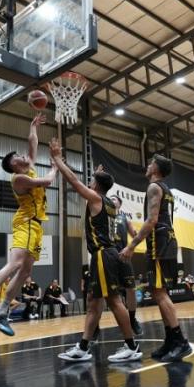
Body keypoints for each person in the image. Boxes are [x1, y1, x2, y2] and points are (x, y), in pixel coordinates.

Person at [49, 140, 141, 363]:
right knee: (93, 301)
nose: (89, 183)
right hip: (108, 254)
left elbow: (74, 181)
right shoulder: (109, 202)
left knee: (114, 301)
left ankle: (131, 346)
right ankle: (83, 347)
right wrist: (98, 175)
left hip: (103, 255)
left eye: (92, 181)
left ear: (97, 186)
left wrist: (58, 160)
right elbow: (94, 187)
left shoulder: (96, 198)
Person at [0, 114, 57, 336]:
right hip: (25, 222)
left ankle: (1, 311)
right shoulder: (19, 179)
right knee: (16, 263)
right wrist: (55, 166)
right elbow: (48, 181)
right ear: (15, 166)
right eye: (18, 158)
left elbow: (32, 144)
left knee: (26, 270)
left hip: (36, 226)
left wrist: (33, 127)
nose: (23, 156)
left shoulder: (28, 167)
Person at [119, 154, 192, 362]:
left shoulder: (154, 187)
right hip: (164, 241)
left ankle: (180, 341)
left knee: (160, 293)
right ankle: (170, 340)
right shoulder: (165, 189)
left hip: (160, 243)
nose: (148, 165)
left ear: (157, 169)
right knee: (159, 291)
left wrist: (131, 245)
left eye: (151, 163)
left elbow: (151, 221)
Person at [110, 195, 143, 336]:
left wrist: (131, 248)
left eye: (114, 198)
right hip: (108, 256)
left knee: (131, 289)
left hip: (123, 255)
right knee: (104, 293)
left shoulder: (125, 218)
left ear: (120, 203)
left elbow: (136, 236)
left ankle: (132, 319)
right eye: (110, 198)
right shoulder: (104, 215)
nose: (111, 200)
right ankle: (95, 329)